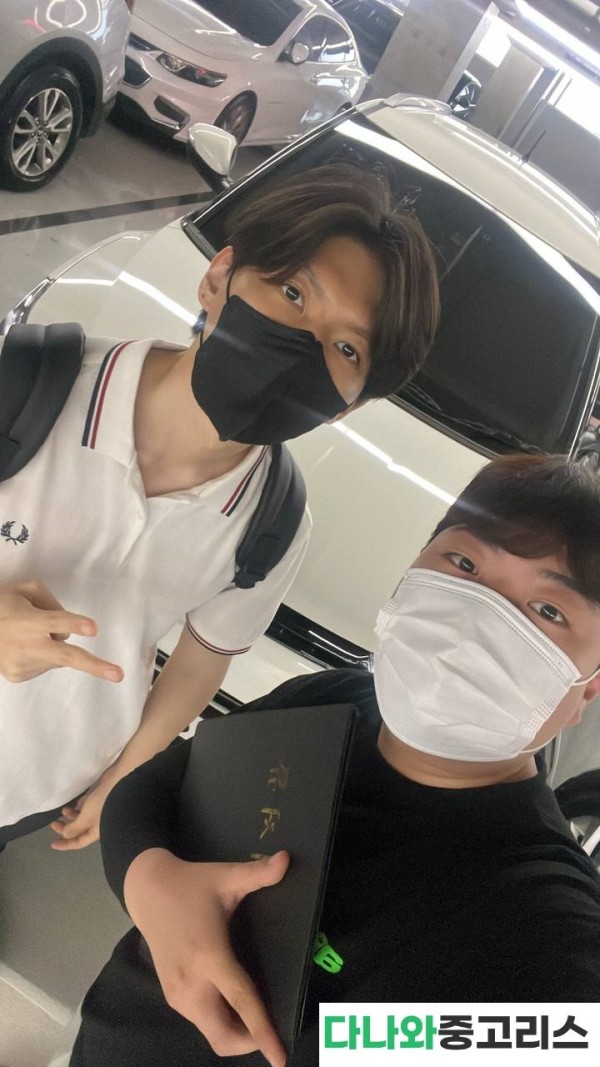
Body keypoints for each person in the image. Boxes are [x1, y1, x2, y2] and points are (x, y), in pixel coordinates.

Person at [67, 452, 600, 1067]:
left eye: (548, 610)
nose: (479, 617)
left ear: (587, 690)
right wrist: (150, 880)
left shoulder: (539, 913)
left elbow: (555, 1031)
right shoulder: (332, 697)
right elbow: (156, 789)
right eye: (464, 563)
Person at [0, 163, 440, 852]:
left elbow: (199, 663)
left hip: (37, 784)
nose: (304, 344)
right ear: (220, 276)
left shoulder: (273, 525)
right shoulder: (25, 380)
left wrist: (122, 776)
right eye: (293, 292)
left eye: (346, 347)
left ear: (348, 405)